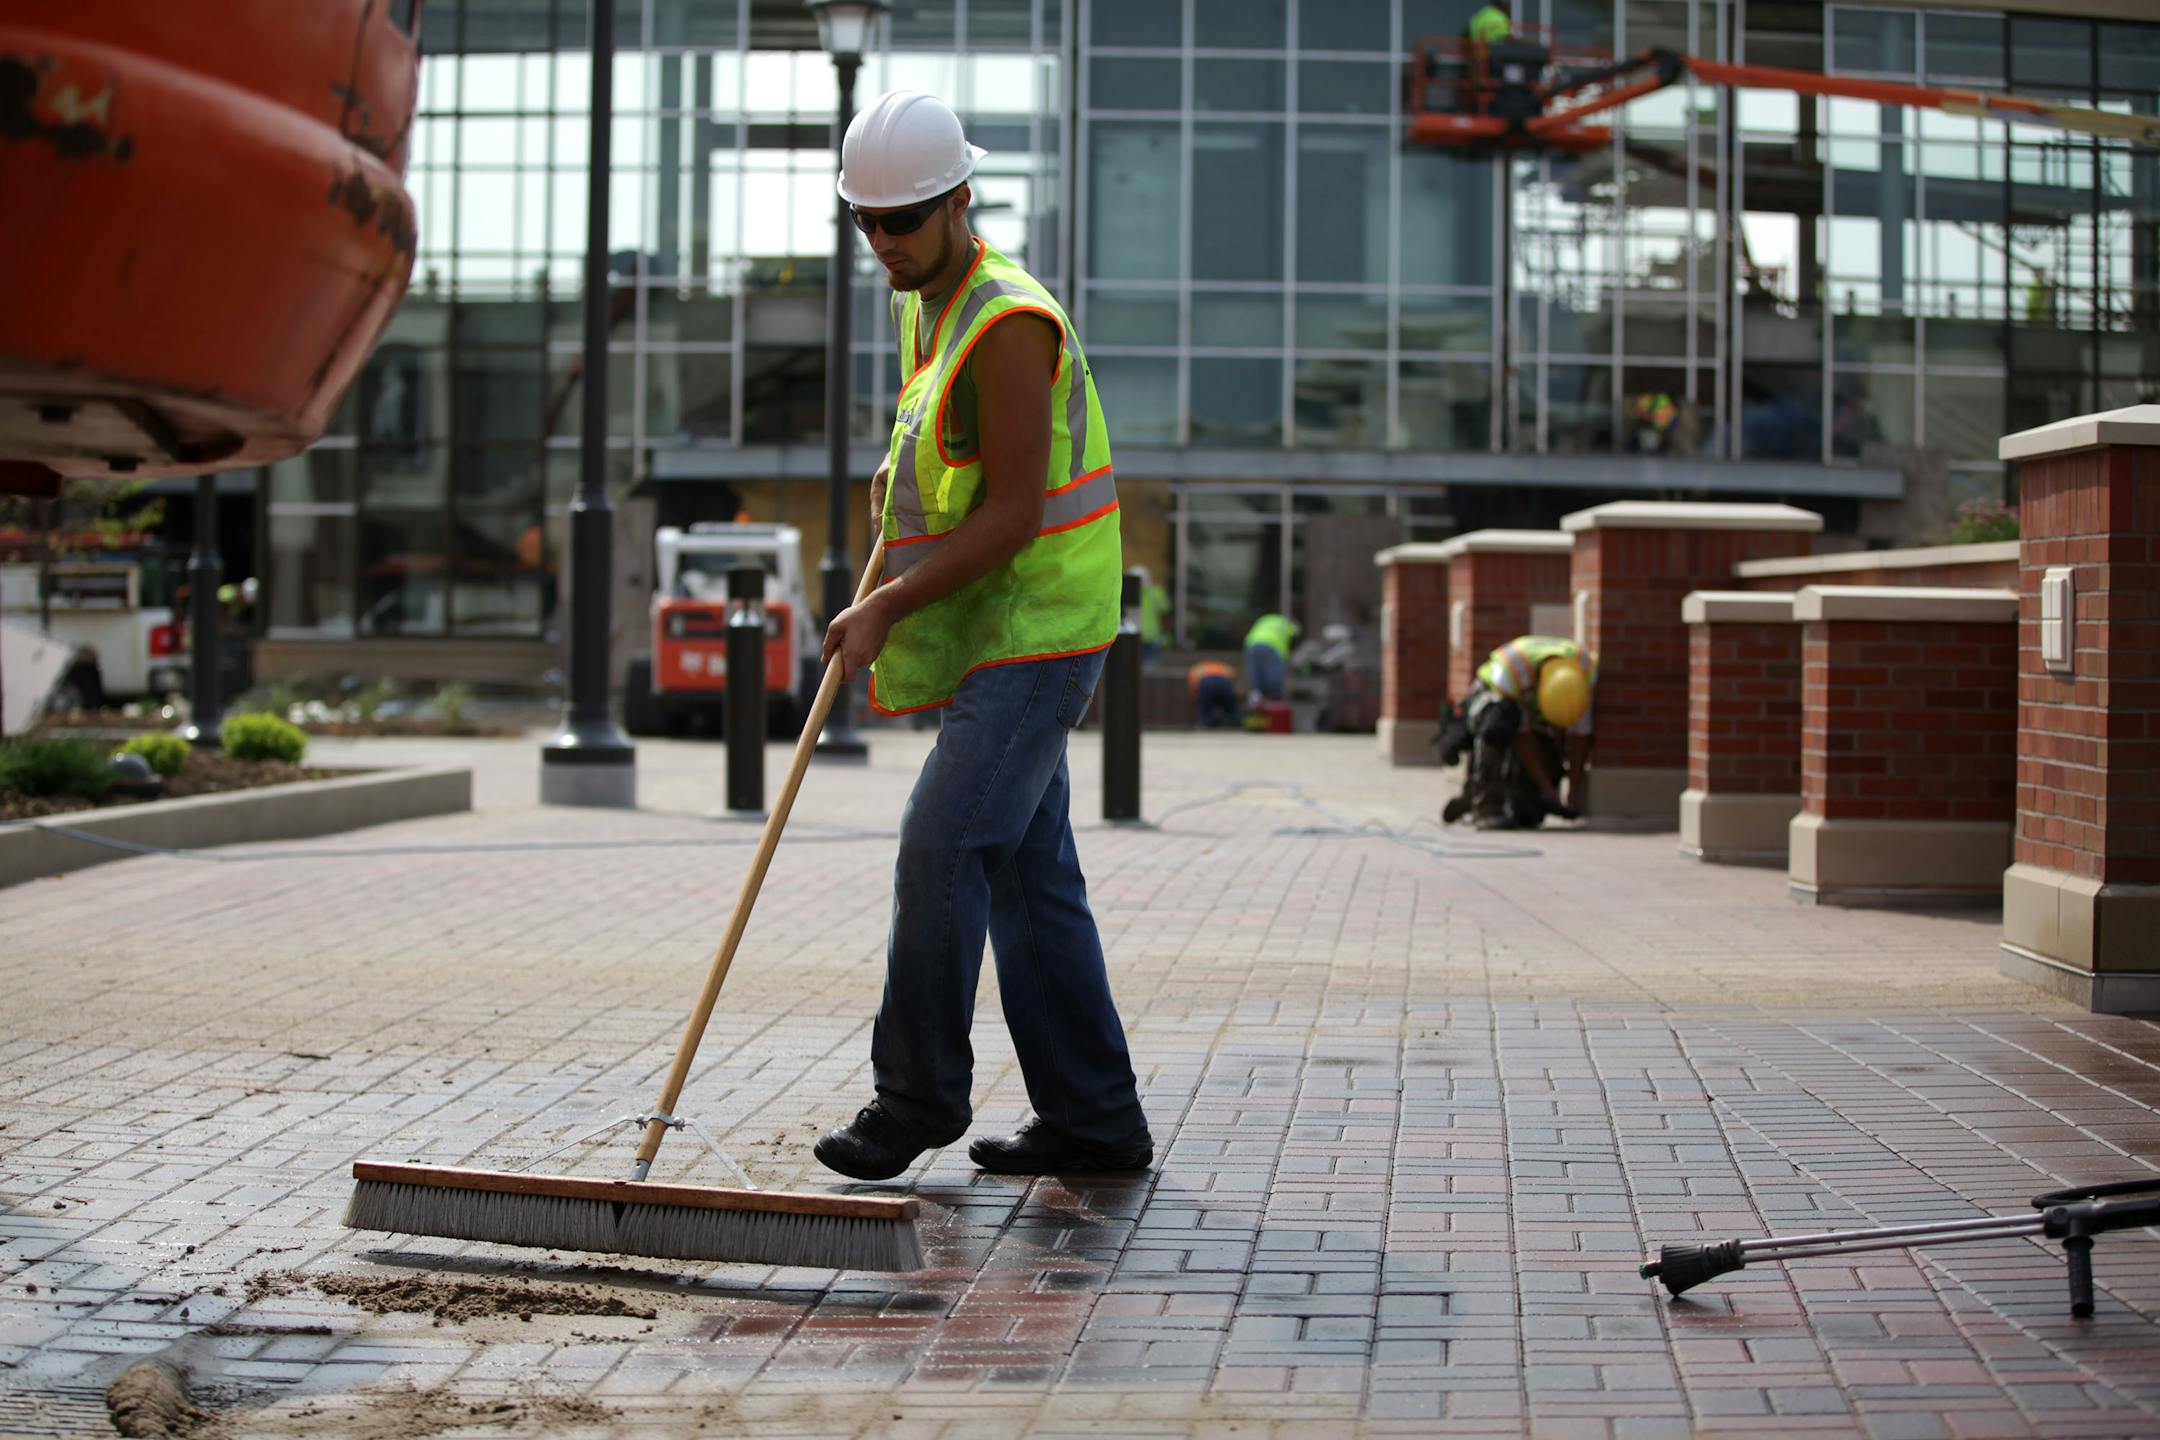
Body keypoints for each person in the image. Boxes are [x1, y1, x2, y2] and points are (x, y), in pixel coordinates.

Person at [813, 91, 1151, 1183]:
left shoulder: (1008, 323)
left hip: (1042, 627)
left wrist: (883, 609)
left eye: (901, 222)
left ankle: (913, 1099)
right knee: (1024, 872)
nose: (882, 243)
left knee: (943, 843)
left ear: (960, 200)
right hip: (1000, 627)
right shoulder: (933, 296)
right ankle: (1096, 1120)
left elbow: (1011, 515)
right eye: (864, 222)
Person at [1442, 634, 1593, 830]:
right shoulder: (1512, 671)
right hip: (1493, 699)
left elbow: (1580, 738)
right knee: (1501, 719)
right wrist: (1548, 788)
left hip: (1533, 701)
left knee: (1528, 811)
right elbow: (1522, 739)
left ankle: (1522, 800)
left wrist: (1572, 794)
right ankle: (1486, 804)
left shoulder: (1581, 678)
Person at [1242, 612, 1298, 707]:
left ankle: (1256, 697)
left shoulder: (1268, 618)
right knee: (1274, 673)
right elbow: (1286, 646)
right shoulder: (1289, 627)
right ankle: (1275, 700)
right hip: (1271, 646)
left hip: (1252, 644)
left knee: (1255, 672)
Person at [1188, 659, 1238, 728]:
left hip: (1207, 684)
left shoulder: (1197, 669)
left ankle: (1209, 721)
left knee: (1206, 708)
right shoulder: (1224, 667)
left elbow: (1194, 687)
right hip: (1223, 683)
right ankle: (1233, 720)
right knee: (1230, 708)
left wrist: (1195, 698)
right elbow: (1233, 680)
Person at [1132, 566, 1169, 662]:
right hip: (1143, 636)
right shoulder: (1156, 592)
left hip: (1147, 638)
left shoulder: (1156, 593)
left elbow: (1165, 613)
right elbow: (1165, 612)